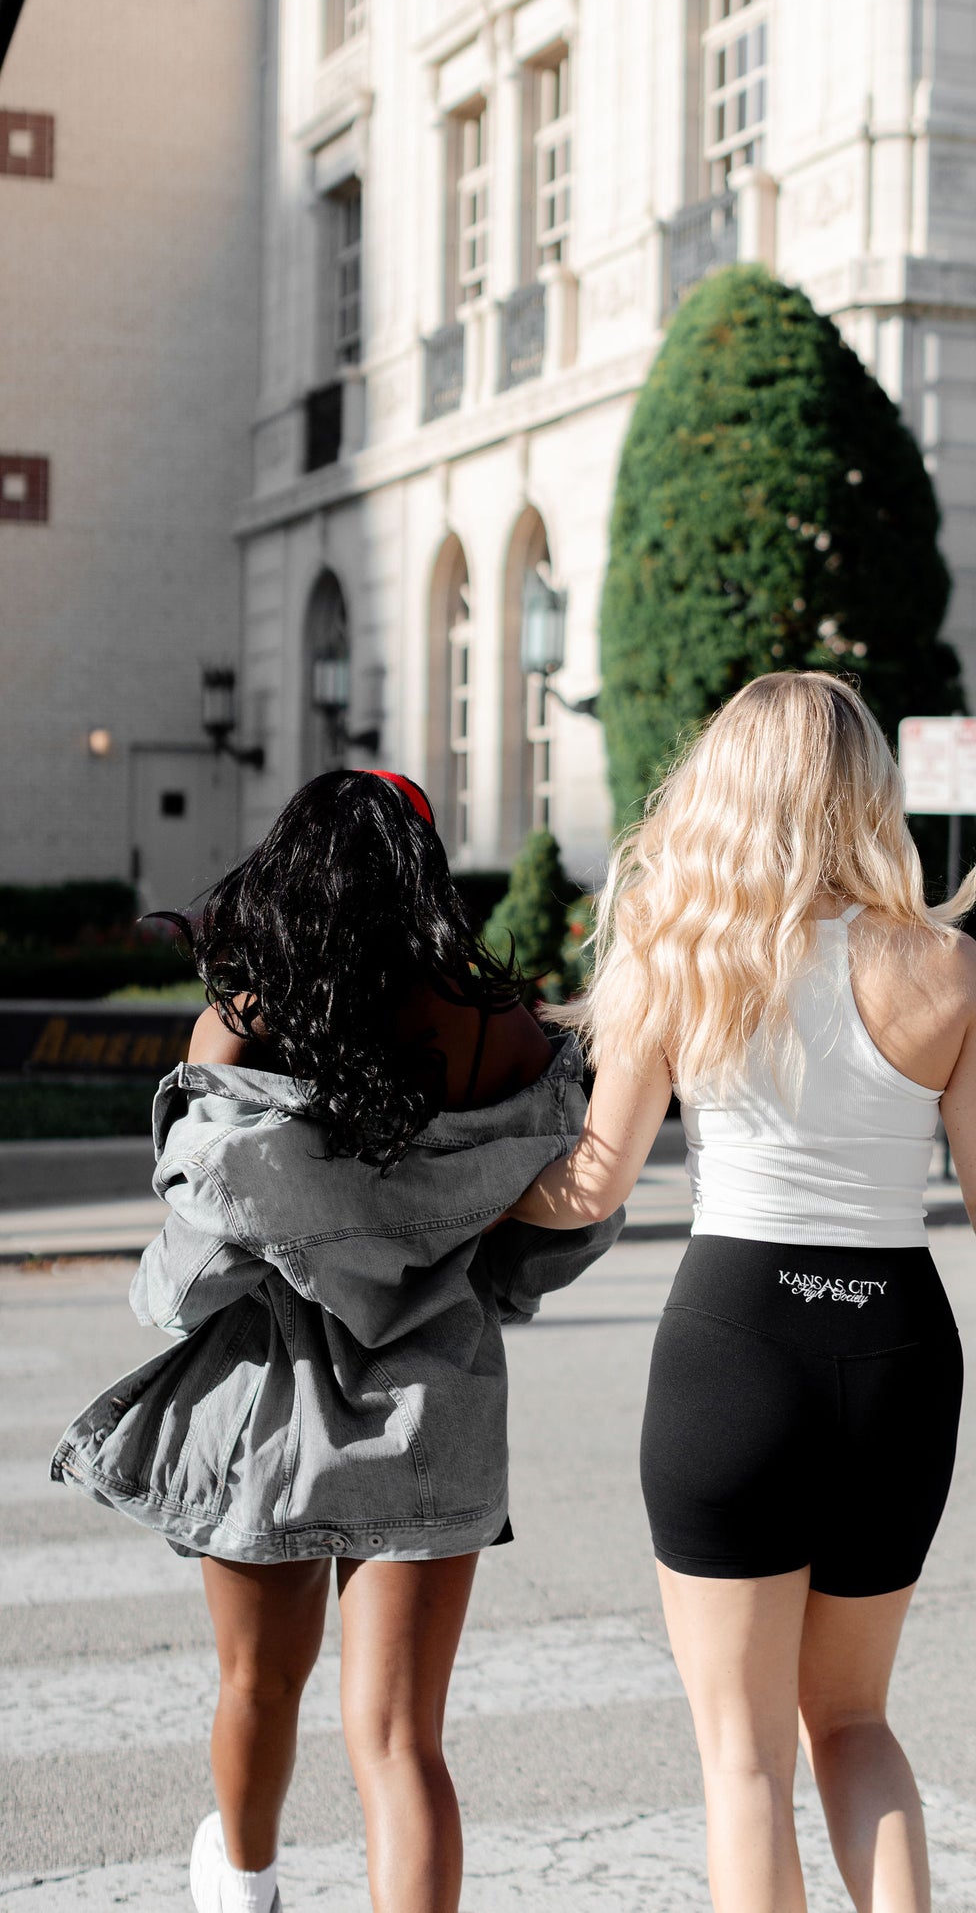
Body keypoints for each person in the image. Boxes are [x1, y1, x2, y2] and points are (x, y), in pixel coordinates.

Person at [511, 672, 976, 1913]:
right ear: (868, 793)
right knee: (852, 1719)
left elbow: (594, 1181)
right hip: (897, 1352)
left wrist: (442, 1209)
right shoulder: (949, 968)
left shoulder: (680, 944)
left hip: (734, 1345)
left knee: (741, 1761)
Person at [53, 769, 621, 1913]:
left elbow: (205, 1248)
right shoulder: (505, 1033)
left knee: (257, 1684)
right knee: (404, 1740)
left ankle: (246, 1886)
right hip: (435, 1405)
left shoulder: (247, 1022)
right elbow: (548, 1240)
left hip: (267, 1401)